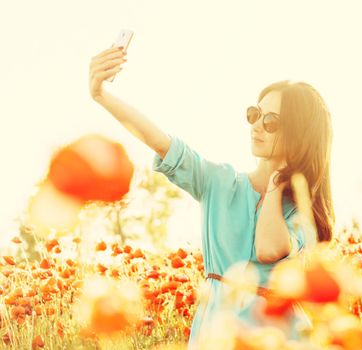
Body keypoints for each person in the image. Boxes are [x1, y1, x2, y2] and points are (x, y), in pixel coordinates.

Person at [88, 45, 335, 348]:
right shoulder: (219, 182)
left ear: (298, 134)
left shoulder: (301, 211)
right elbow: (161, 142)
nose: (257, 126)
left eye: (270, 122)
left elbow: (269, 248)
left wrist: (276, 184)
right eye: (254, 115)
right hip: (216, 331)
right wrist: (102, 95)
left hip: (278, 335)